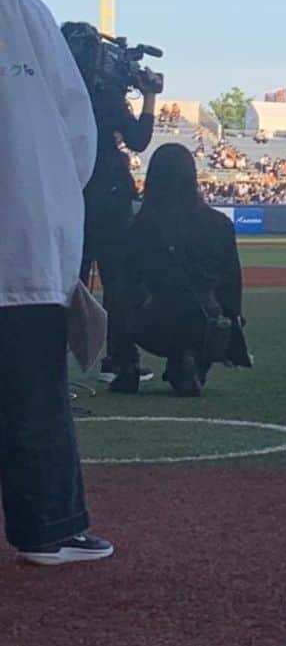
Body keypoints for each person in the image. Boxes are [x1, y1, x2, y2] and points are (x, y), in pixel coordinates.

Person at [0, 0, 113, 565]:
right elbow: (78, 131)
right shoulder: (20, 8)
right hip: (21, 240)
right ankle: (48, 524)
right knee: (33, 396)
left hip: (25, 242)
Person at [61, 21, 159, 393]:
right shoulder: (106, 95)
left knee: (68, 279)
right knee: (118, 282)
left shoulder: (55, 92)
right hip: (110, 192)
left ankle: (51, 361)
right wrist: (149, 96)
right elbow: (138, 140)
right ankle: (119, 358)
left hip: (68, 191)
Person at [125, 144, 251, 396]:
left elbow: (127, 285)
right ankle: (193, 359)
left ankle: (128, 364)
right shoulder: (220, 223)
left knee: (125, 302)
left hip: (155, 322)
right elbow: (232, 283)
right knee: (210, 313)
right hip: (207, 321)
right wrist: (233, 322)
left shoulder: (141, 225)